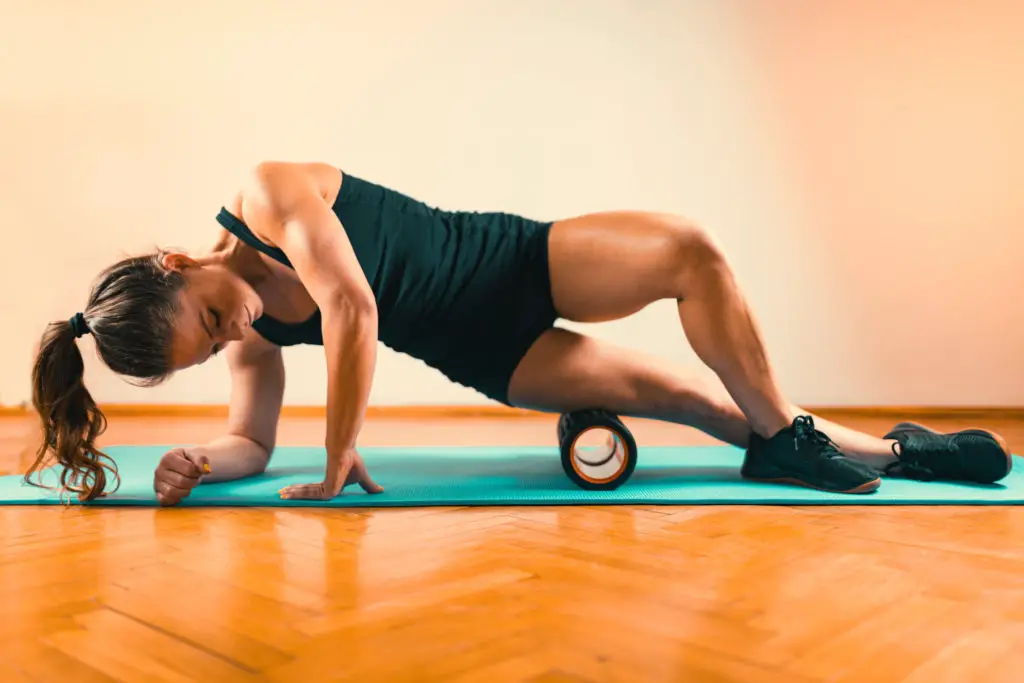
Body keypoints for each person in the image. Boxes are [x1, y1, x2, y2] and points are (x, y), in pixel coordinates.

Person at [27, 161, 1012, 504]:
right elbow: (252, 439)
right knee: (693, 400)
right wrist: (203, 453)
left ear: (176, 262)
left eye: (208, 318)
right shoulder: (247, 333)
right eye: (211, 346)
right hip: (486, 348)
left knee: (689, 249)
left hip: (508, 259)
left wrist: (343, 449)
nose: (230, 330)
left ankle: (795, 437)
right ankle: (886, 450)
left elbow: (355, 307)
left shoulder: (266, 192)